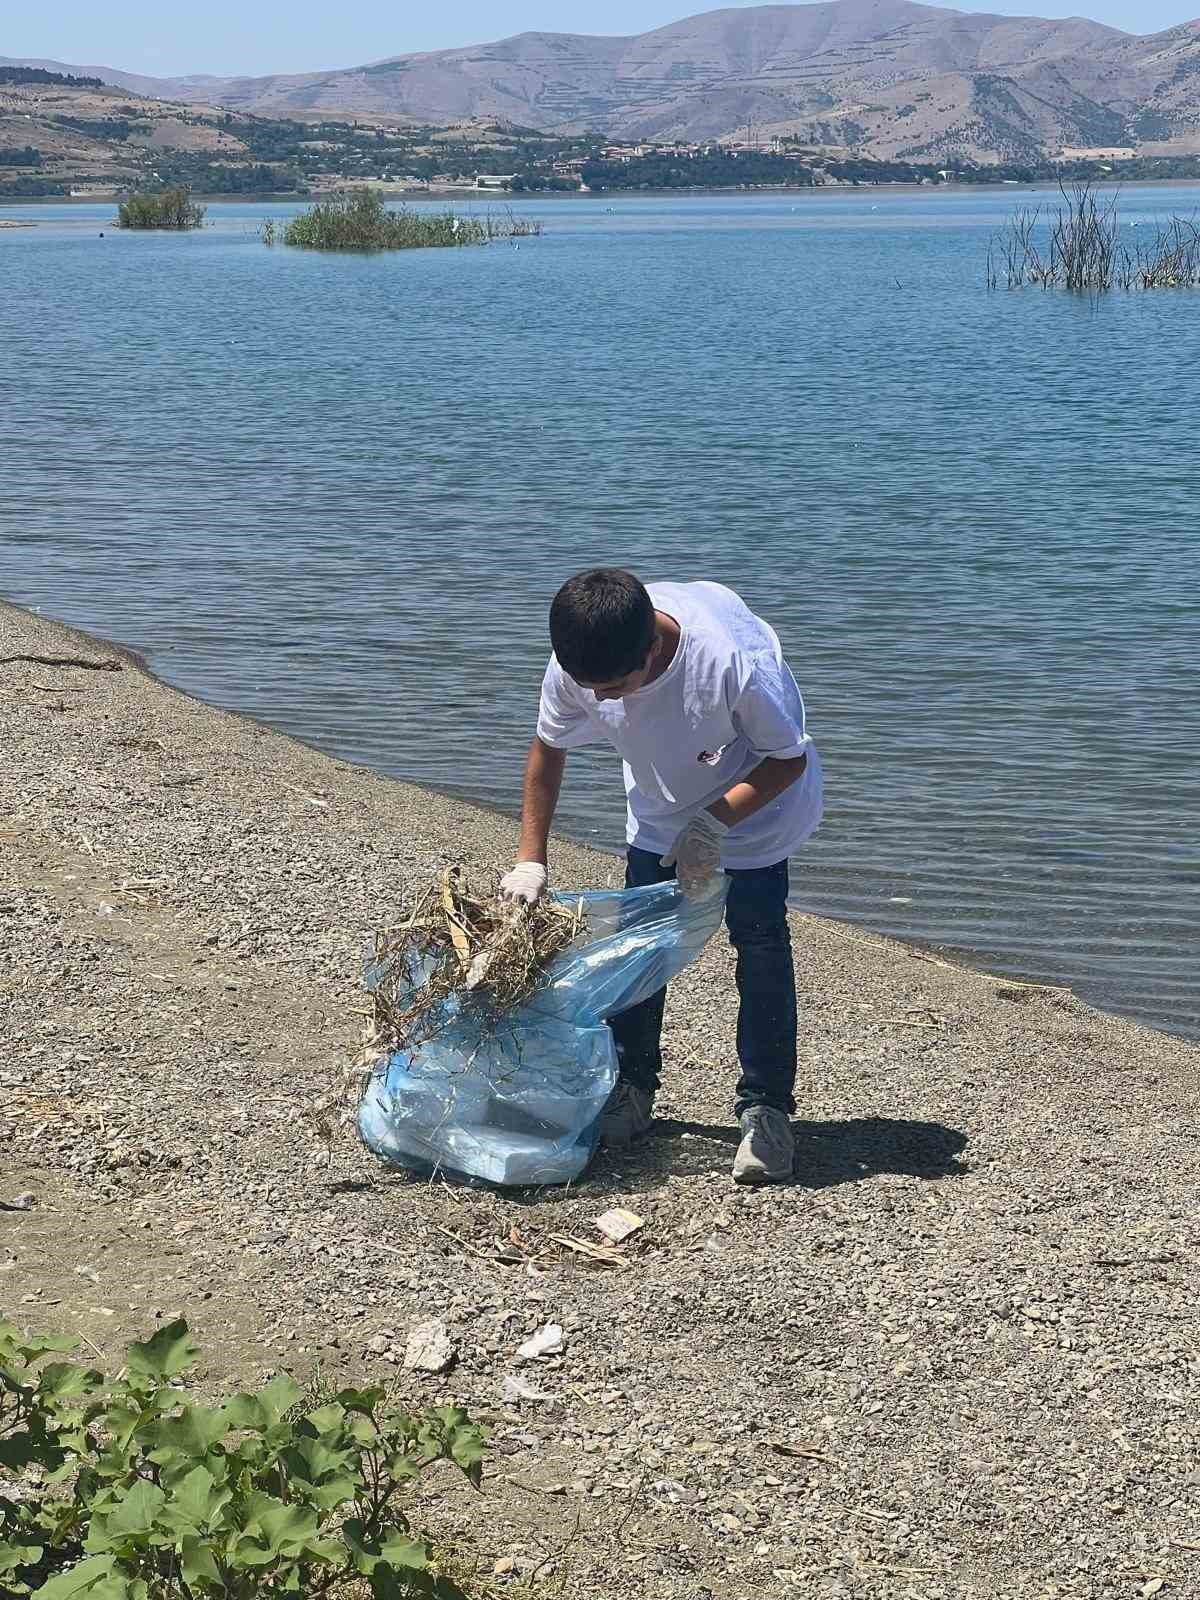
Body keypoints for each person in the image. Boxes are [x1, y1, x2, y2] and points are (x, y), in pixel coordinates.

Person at [500, 569, 823, 1184]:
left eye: (616, 688)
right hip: (660, 803)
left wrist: (711, 826)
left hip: (757, 806)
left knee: (759, 945)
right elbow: (548, 750)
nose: (605, 702)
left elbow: (789, 758)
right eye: (592, 690)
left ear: (653, 647)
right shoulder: (583, 654)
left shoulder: (734, 664)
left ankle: (767, 1111)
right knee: (641, 943)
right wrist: (530, 859)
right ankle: (631, 1091)